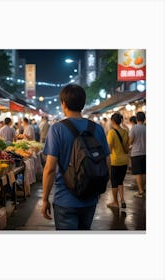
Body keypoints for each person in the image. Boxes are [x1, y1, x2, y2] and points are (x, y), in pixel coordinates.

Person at [41, 84, 110, 230]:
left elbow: (50, 169)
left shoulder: (57, 129)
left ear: (63, 104)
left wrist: (45, 199)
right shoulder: (97, 129)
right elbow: (106, 163)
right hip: (90, 198)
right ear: (83, 104)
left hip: (64, 200)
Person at [106, 113, 129, 209]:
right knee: (120, 181)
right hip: (124, 160)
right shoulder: (125, 131)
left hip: (115, 161)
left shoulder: (111, 132)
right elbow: (127, 149)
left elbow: (109, 150)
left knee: (114, 182)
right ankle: (122, 199)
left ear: (113, 121)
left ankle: (115, 202)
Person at [129, 111, 146, 198]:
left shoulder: (134, 128)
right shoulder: (146, 128)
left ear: (136, 119)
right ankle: (142, 189)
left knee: (138, 173)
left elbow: (131, 141)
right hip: (145, 152)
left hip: (136, 153)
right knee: (144, 172)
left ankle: (140, 191)